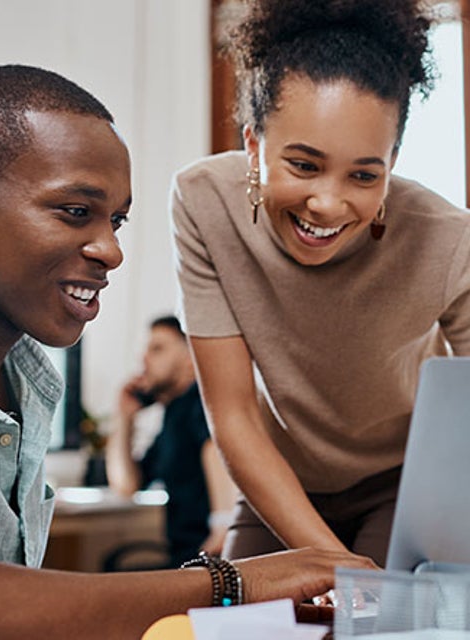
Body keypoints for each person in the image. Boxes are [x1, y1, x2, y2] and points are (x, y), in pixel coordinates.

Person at [0, 64, 375, 640]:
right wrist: (229, 583)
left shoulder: (15, 369)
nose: (111, 250)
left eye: (116, 220)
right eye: (75, 212)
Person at [170, 0, 470, 572]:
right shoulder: (203, 202)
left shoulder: (449, 242)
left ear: (392, 162)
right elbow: (232, 415)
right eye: (304, 165)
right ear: (254, 144)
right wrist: (338, 564)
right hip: (279, 481)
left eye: (363, 174)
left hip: (403, 485)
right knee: (238, 630)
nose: (328, 204)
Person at [107, 315, 237, 567]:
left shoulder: (200, 401)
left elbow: (216, 451)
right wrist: (124, 418)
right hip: (184, 554)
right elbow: (126, 485)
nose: (143, 360)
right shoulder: (172, 417)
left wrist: (222, 526)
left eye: (157, 349)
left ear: (191, 358)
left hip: (207, 552)